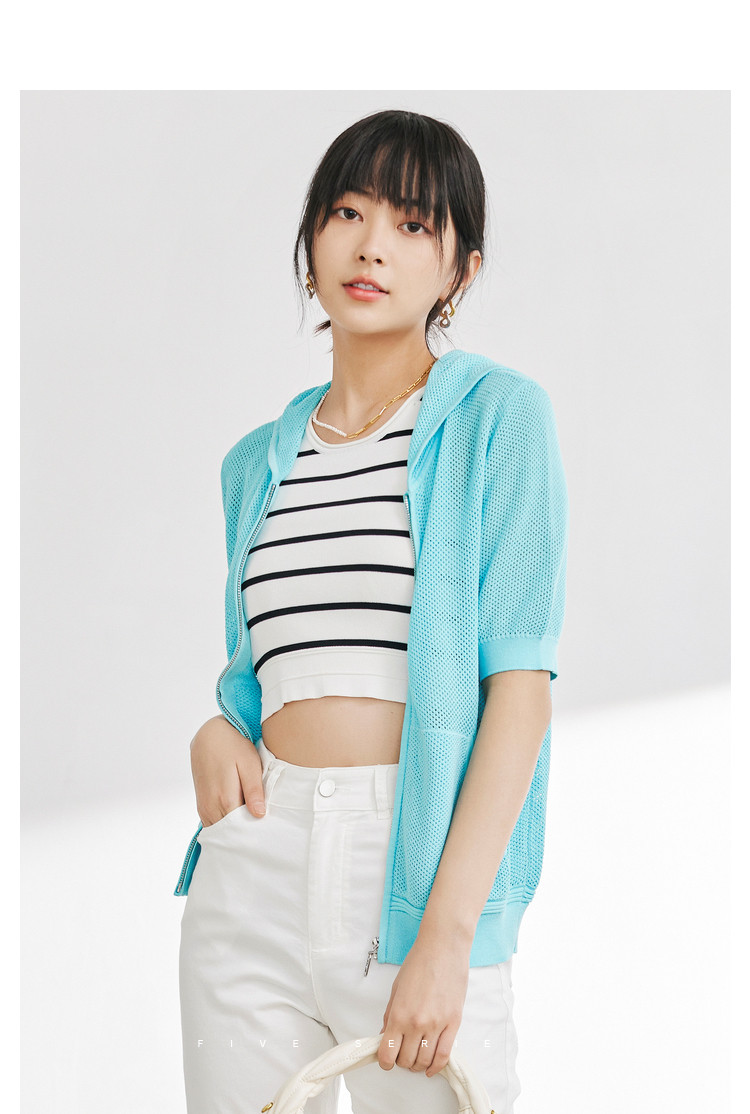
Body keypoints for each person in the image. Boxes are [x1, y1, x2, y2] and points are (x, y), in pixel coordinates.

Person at [174, 108, 569, 1114]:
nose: (372, 246)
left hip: (413, 868)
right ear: (311, 239)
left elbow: (519, 691)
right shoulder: (253, 465)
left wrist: (447, 934)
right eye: (348, 212)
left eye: (412, 223)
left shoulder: (498, 420)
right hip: (253, 871)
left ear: (460, 270)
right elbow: (273, 671)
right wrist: (218, 730)